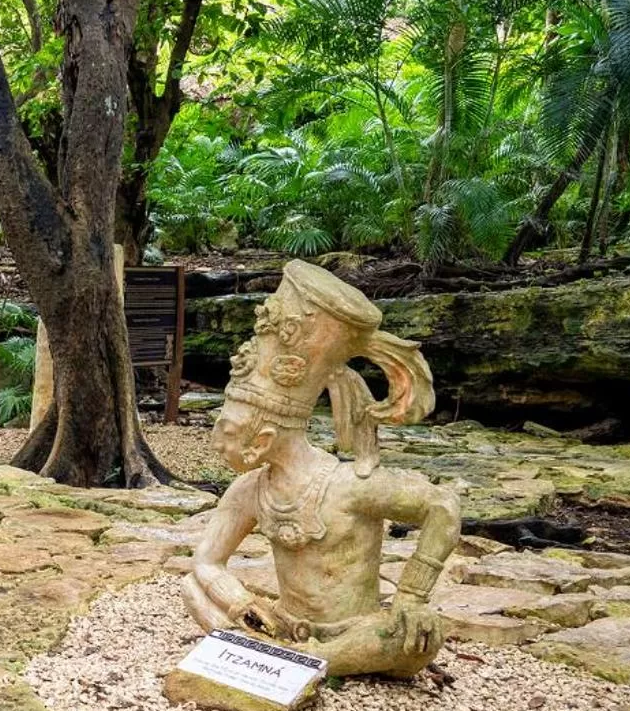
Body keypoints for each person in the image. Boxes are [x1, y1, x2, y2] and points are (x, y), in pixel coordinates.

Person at [184, 261, 460, 679]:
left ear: (261, 440)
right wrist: (242, 604)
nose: (216, 444)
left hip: (358, 630)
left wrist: (411, 597)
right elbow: (206, 563)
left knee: (404, 636)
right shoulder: (248, 490)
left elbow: (442, 505)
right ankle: (281, 656)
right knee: (191, 589)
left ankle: (296, 664)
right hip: (284, 625)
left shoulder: (349, 485)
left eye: (227, 432)